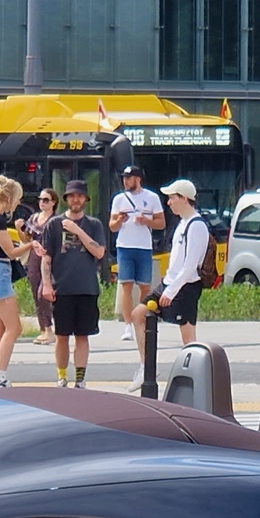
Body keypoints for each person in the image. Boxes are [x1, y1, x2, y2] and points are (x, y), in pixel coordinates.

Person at [40, 178, 109, 389]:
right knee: (62, 335)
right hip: (62, 287)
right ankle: (62, 376)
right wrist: (46, 284)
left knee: (82, 335)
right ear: (66, 198)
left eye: (79, 196)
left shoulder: (93, 225)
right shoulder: (54, 224)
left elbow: (99, 251)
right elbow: (46, 257)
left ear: (85, 199)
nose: (76, 199)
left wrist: (77, 230)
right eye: (72, 196)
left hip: (87, 288)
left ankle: (80, 378)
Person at [151, 178, 211, 350]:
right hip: (169, 282)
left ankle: (195, 370)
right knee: (139, 315)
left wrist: (171, 291)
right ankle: (145, 365)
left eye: (172, 198)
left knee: (188, 335)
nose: (168, 203)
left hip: (185, 286)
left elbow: (190, 266)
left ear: (184, 198)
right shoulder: (182, 223)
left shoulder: (197, 225)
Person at [0, 175, 30, 386]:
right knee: (14, 328)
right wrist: (31, 245)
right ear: (9, 198)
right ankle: (0, 375)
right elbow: (10, 252)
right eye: (17, 199)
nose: (18, 203)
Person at [108, 164, 164, 343]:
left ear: (138, 179)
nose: (125, 181)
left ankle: (141, 318)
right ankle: (127, 325)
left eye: (129, 177)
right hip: (124, 245)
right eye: (124, 178)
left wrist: (146, 220)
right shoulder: (118, 199)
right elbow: (112, 226)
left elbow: (161, 223)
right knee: (126, 285)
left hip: (144, 246)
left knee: (145, 286)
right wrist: (119, 219)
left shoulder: (152, 197)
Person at [23, 186, 57, 349]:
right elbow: (26, 238)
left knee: (43, 293)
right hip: (34, 256)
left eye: (46, 200)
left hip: (50, 257)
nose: (42, 203)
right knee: (35, 292)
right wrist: (18, 227)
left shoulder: (55, 220)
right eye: (40, 200)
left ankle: (50, 329)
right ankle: (44, 328)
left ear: (53, 203)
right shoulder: (34, 218)